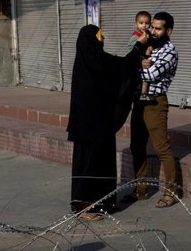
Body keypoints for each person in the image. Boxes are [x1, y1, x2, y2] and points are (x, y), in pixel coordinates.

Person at [67, 24, 147, 220]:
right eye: (100, 36)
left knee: (99, 163)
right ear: (91, 39)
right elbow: (119, 67)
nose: (102, 40)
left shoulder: (89, 60)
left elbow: (116, 67)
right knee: (89, 164)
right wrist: (137, 48)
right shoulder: (94, 62)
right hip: (91, 126)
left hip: (96, 124)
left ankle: (101, 203)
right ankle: (84, 207)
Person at [128, 11, 180, 208]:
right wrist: (137, 60)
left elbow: (149, 74)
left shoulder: (169, 51)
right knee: (136, 146)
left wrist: (133, 65)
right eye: (152, 27)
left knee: (161, 148)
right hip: (139, 101)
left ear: (168, 31)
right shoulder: (148, 46)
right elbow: (133, 60)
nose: (153, 31)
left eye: (158, 28)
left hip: (155, 103)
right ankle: (141, 188)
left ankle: (171, 192)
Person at [127, 11, 154, 100]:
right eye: (141, 23)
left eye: (147, 23)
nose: (144, 25)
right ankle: (142, 94)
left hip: (145, 60)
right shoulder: (136, 36)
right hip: (138, 61)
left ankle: (144, 94)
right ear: (136, 24)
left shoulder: (148, 35)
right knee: (142, 78)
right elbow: (131, 48)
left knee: (146, 78)